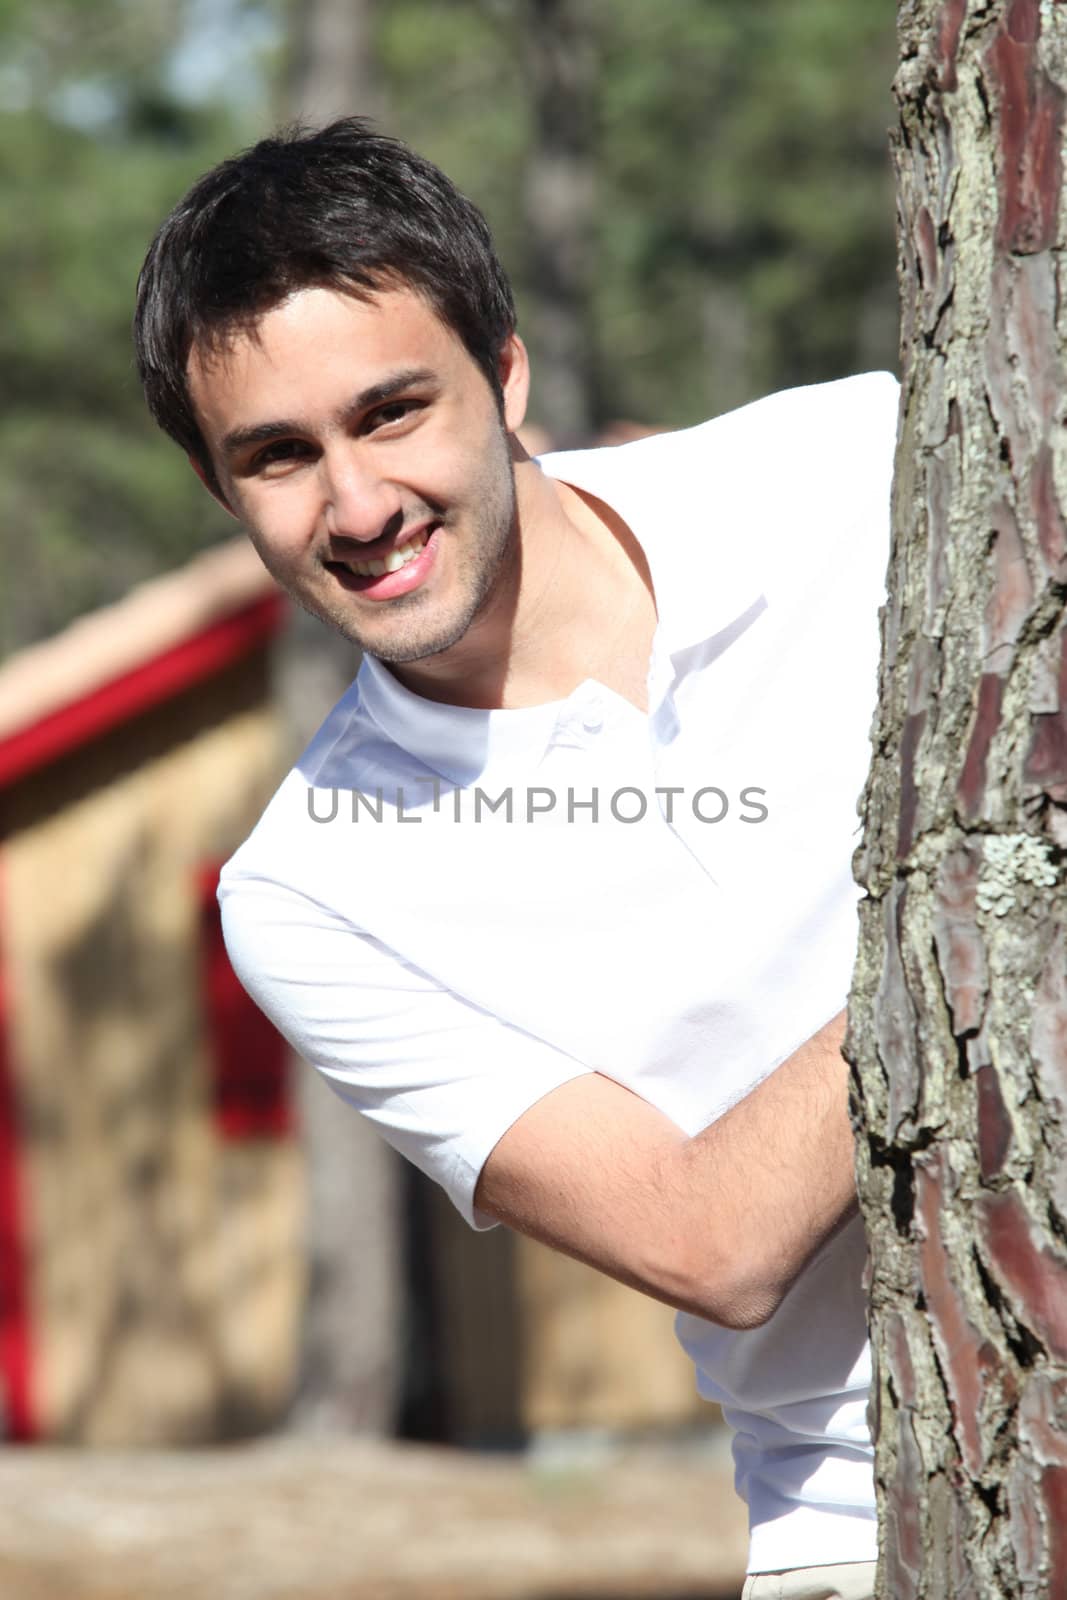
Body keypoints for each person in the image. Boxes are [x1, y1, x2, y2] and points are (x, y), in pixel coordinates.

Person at [134, 117, 896, 1600]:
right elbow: (714, 1239)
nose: (355, 508)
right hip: (878, 1508)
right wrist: (989, 912)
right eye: (278, 458)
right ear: (226, 498)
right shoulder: (310, 896)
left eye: (392, 411)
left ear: (507, 374)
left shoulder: (857, 465)